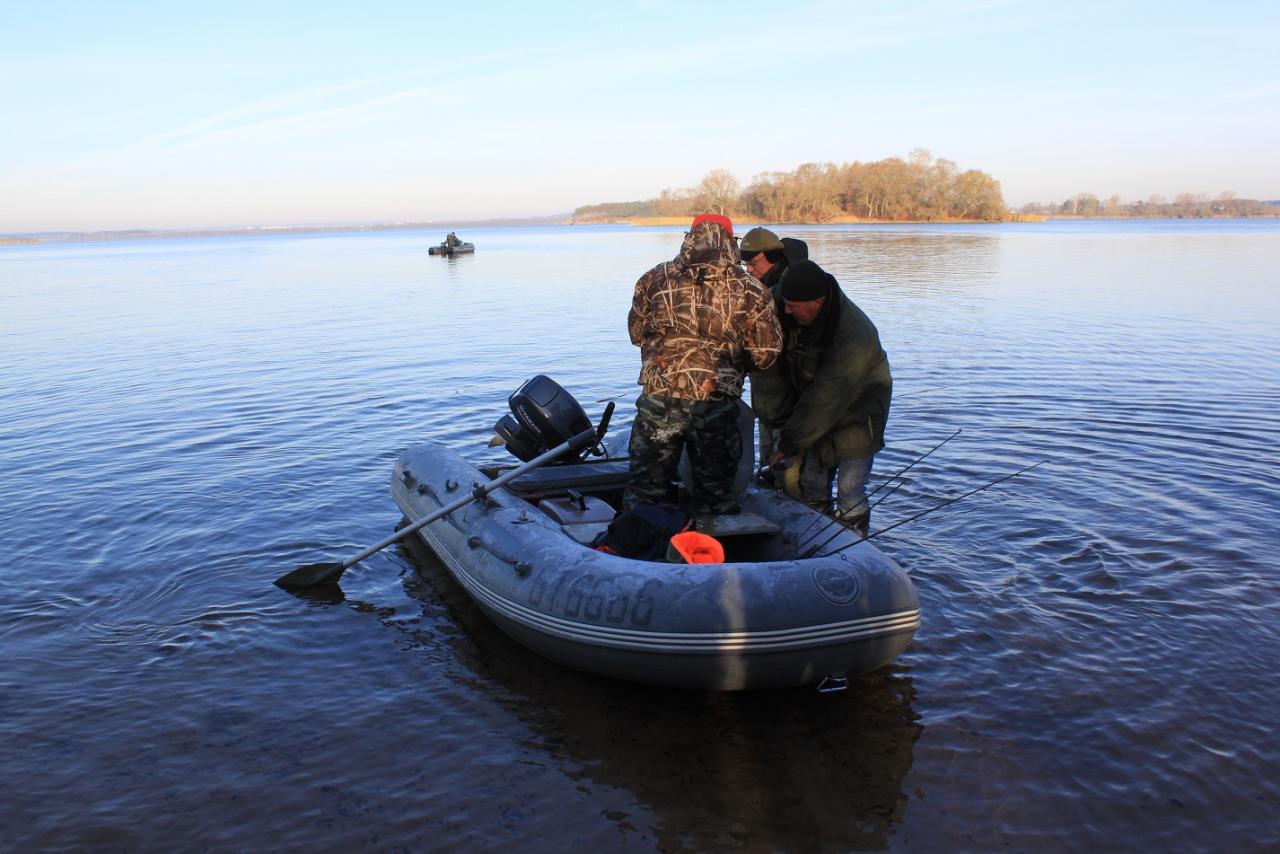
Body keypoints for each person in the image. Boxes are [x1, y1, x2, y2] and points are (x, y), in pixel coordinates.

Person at [625, 213, 783, 516]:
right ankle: (710, 541)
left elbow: (636, 333)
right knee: (715, 495)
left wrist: (666, 357)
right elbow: (765, 353)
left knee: (645, 492)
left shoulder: (653, 278)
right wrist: (734, 367)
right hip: (716, 402)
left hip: (660, 398)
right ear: (731, 241)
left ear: (690, 237)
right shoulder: (751, 289)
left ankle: (639, 539)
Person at [750, 259, 892, 536]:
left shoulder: (853, 335)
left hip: (858, 417)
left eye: (793, 306)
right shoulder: (793, 311)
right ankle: (815, 538)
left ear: (817, 301)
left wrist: (787, 444)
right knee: (812, 483)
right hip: (816, 414)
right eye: (785, 304)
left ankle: (854, 540)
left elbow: (824, 398)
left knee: (849, 491)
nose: (787, 311)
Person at [738, 226, 808, 289]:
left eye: (753, 263)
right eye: (745, 263)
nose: (748, 270)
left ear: (773, 257)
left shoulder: (795, 287)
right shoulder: (764, 282)